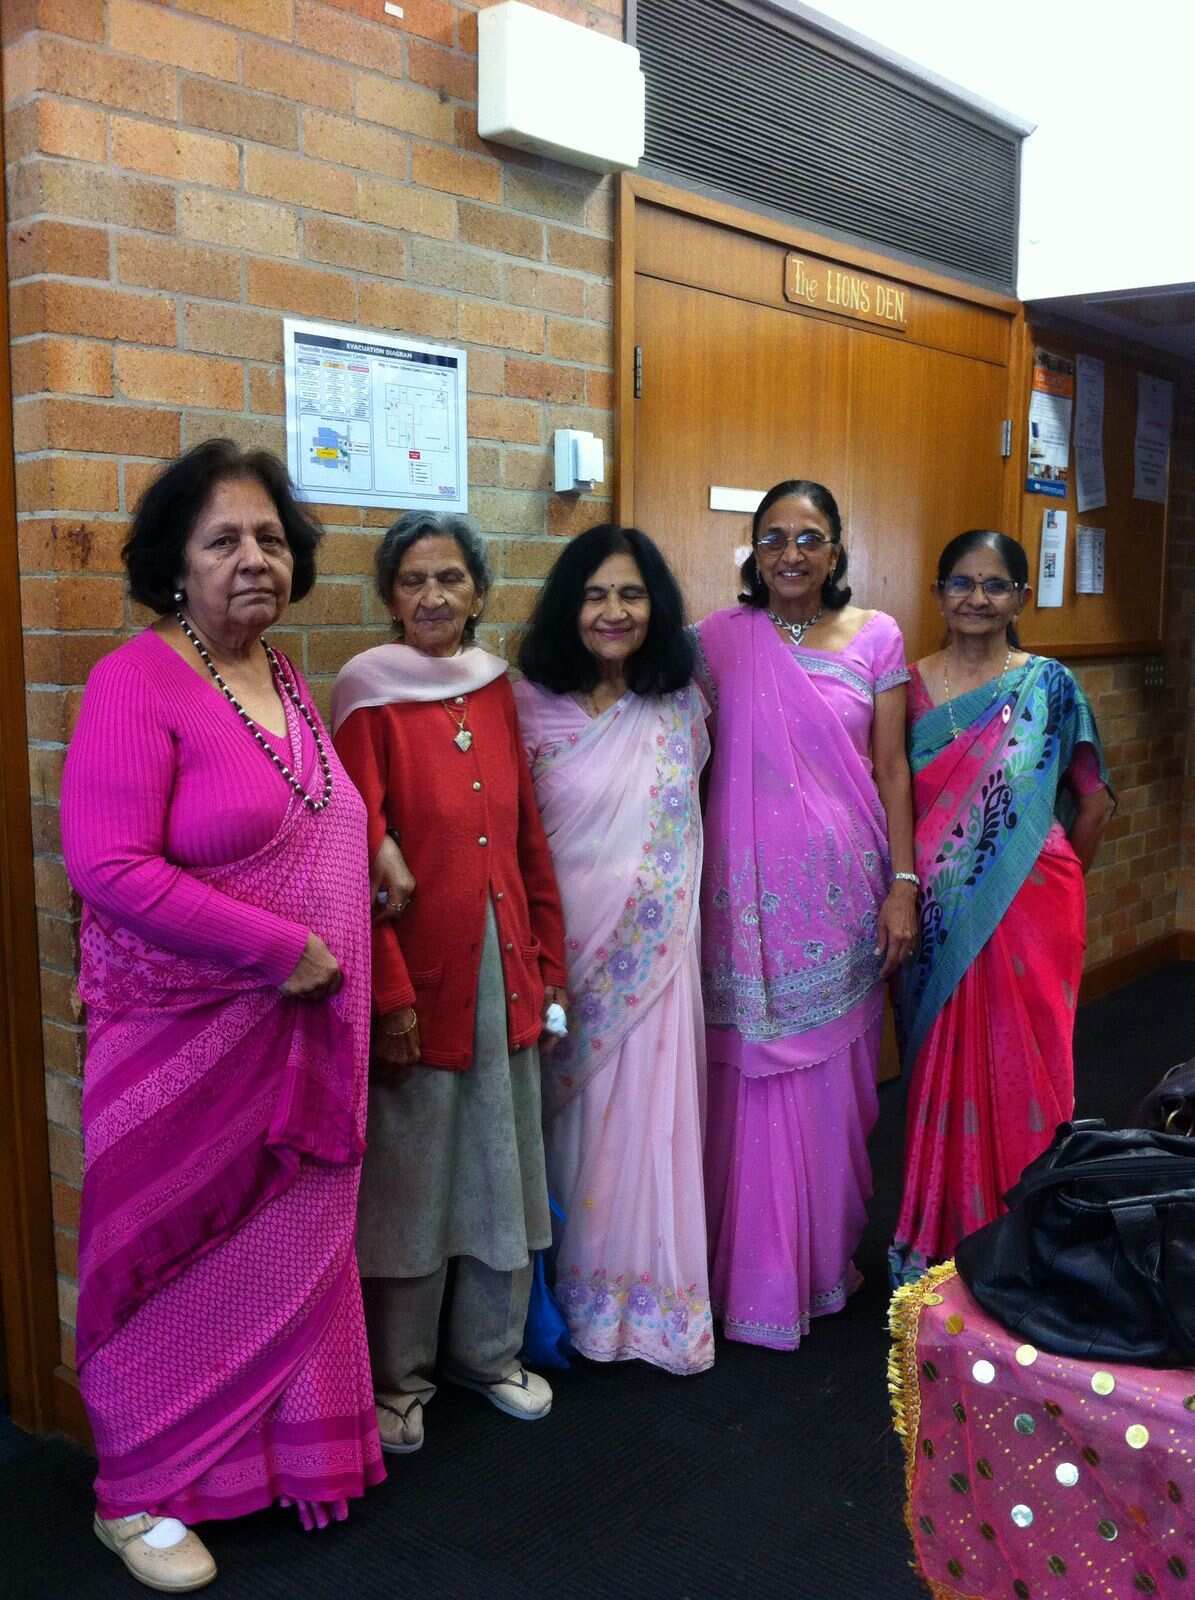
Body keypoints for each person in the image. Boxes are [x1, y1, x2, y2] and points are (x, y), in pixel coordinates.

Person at [60, 441, 383, 1593]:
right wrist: (276, 945)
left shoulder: (289, 677)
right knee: (167, 1253)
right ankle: (135, 1494)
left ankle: (278, 1460)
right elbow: (104, 862)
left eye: (271, 538)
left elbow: (319, 814)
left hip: (305, 1041)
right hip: (181, 1047)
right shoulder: (133, 681)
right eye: (222, 540)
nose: (254, 559)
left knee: (287, 1249)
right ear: (173, 563)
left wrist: (374, 852)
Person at [331, 511, 567, 1456]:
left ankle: (489, 1354)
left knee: (503, 1169)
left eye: (450, 580)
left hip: (502, 967)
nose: (432, 597)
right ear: (388, 597)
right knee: (412, 1183)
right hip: (420, 981)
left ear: (478, 592)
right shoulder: (364, 697)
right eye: (413, 581)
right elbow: (352, 858)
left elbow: (527, 844)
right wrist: (387, 995)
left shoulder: (497, 689)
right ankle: (399, 1381)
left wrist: (546, 965)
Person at [692, 478, 917, 1351]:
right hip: (739, 903)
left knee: (835, 1091)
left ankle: (820, 1266)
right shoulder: (717, 640)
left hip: (844, 892)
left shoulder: (877, 637)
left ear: (835, 551)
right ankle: (740, 1279)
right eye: (775, 537)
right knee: (740, 1085)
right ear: (753, 550)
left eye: (810, 537)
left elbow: (892, 769)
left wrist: (903, 882)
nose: (791, 553)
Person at [515, 525, 714, 1376]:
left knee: (644, 1127)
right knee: (562, 1129)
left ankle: (641, 1308)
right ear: (568, 606)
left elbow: (681, 828)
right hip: (560, 951)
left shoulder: (681, 703)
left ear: (655, 608)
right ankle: (554, 1306)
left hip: (655, 957)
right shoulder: (523, 702)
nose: (612, 610)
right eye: (594, 593)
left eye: (630, 594)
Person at [891, 530, 1114, 1283]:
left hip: (1034, 906)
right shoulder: (905, 686)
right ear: (937, 593)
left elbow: (1093, 800)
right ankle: (941, 1229)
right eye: (960, 583)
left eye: (994, 585)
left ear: (1020, 596)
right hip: (935, 909)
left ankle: (1026, 1230)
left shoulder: (1048, 685)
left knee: (1028, 1065)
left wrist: (1043, 876)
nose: (976, 599)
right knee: (938, 1069)